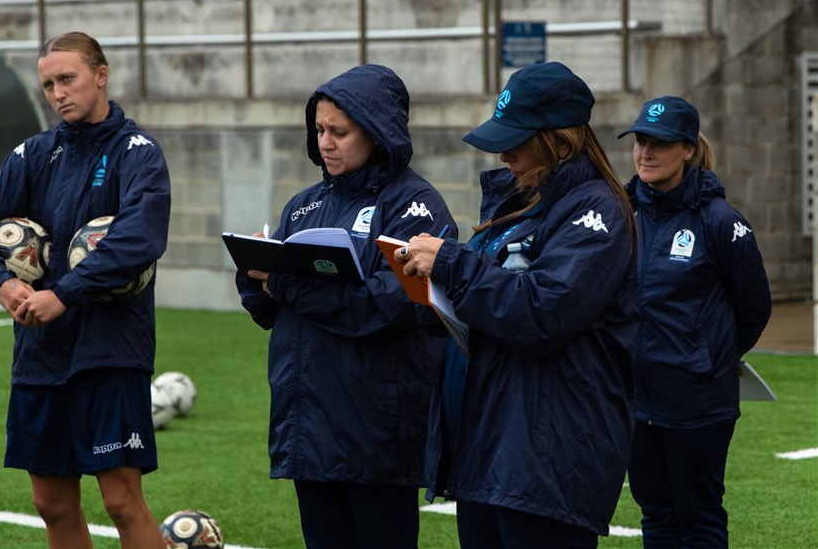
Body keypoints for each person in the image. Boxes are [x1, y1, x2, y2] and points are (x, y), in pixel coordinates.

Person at [396, 61, 638, 547]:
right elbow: (485, 304)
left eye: (516, 141)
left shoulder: (598, 209)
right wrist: (428, 293)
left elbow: (544, 312)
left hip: (547, 456)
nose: (503, 154)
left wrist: (451, 265)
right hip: (492, 446)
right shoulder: (517, 203)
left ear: (560, 144)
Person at [0, 31, 170, 549]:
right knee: (51, 502)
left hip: (110, 349)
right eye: (48, 85)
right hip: (40, 350)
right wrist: (1, 283)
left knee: (121, 500)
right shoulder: (34, 153)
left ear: (101, 75)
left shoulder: (137, 153)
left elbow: (138, 239)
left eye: (67, 79)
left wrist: (64, 294)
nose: (58, 93)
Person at [234, 63, 457, 549]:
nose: (325, 143)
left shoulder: (415, 205)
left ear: (376, 133)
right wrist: (253, 272)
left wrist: (287, 287)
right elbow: (272, 312)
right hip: (307, 426)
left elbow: (393, 305)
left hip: (376, 432)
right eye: (319, 130)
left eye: (339, 132)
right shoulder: (304, 205)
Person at [618, 95, 772, 547]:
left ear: (687, 149)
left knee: (698, 518)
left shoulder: (720, 221)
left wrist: (706, 358)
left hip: (697, 402)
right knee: (656, 516)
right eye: (641, 141)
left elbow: (754, 308)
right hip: (635, 399)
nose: (646, 153)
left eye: (660, 144)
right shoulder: (623, 214)